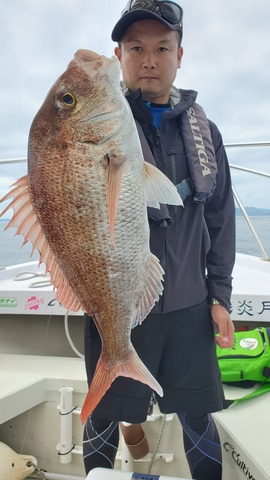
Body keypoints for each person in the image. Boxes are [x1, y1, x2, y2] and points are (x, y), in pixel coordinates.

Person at [83, 1, 235, 479]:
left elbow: (221, 218)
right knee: (103, 414)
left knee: (196, 414)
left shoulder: (205, 132)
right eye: (136, 47)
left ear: (180, 55)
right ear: (119, 55)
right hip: (118, 301)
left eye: (162, 47)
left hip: (190, 305)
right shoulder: (95, 126)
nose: (149, 58)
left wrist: (220, 297)